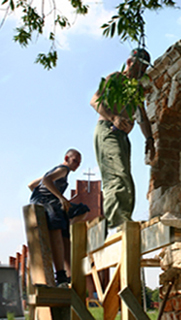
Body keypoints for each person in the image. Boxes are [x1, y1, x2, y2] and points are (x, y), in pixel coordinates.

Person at [90, 48, 155, 229]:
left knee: (126, 177)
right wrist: (113, 117)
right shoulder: (116, 78)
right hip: (108, 130)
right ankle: (117, 224)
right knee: (117, 175)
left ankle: (123, 220)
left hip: (122, 136)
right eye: (139, 66)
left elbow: (142, 116)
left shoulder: (136, 89)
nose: (141, 71)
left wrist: (149, 140)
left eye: (144, 68)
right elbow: (94, 100)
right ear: (129, 62)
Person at [29, 149, 89, 287]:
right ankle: (61, 275)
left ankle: (68, 274)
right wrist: (60, 197)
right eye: (75, 161)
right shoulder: (63, 169)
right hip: (47, 202)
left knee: (81, 211)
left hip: (47, 200)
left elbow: (32, 185)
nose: (77, 165)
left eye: (79, 163)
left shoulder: (54, 171)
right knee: (57, 229)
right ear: (67, 158)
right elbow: (46, 180)